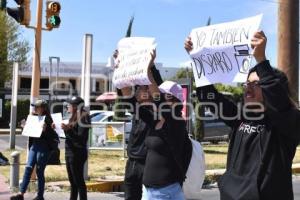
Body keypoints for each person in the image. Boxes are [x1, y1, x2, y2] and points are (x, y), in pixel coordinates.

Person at [185, 31, 300, 200]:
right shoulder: (240, 117)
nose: (248, 88)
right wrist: (197, 60)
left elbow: (279, 102)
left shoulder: (287, 124)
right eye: (247, 83)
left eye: (256, 84)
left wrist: (261, 60)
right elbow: (208, 97)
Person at [122, 51, 192, 200]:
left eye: (165, 96)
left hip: (167, 192)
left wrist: (148, 69)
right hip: (151, 192)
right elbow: (131, 102)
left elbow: (158, 99)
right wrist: (121, 72)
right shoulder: (155, 120)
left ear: (175, 102)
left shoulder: (176, 122)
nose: (156, 97)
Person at [121, 66, 163, 200]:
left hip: (148, 164)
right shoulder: (137, 109)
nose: (137, 90)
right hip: (132, 163)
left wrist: (151, 66)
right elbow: (124, 91)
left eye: (141, 88)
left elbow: (158, 86)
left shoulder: (157, 113)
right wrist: (122, 66)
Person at [11, 99, 58, 200]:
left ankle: (40, 196)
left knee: (40, 172)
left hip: (44, 148)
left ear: (43, 108)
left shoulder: (49, 120)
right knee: (28, 168)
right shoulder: (33, 117)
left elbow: (54, 137)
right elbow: (30, 132)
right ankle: (21, 193)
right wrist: (24, 127)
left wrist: (46, 130)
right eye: (34, 106)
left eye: (37, 107)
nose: (35, 108)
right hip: (34, 146)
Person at [61, 96, 90, 200]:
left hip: (77, 153)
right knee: (72, 182)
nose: (68, 106)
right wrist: (58, 129)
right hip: (69, 151)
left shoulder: (84, 117)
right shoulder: (72, 117)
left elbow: (81, 137)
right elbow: (69, 134)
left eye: (70, 105)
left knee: (78, 181)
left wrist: (67, 129)